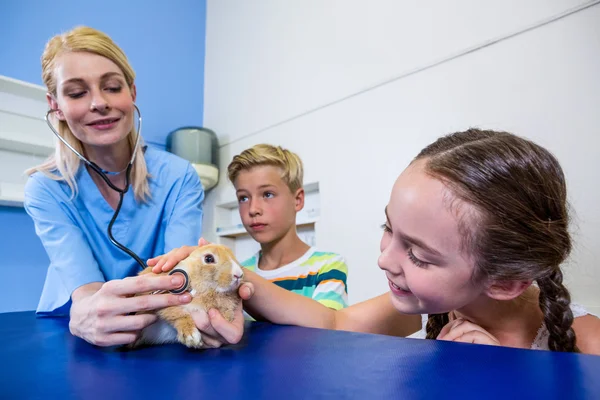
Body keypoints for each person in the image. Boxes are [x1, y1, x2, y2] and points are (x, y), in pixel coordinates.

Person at [152, 129, 600, 354]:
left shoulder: (588, 345)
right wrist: (225, 270)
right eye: (388, 229)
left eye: (419, 255)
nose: (385, 259)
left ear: (504, 281)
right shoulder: (442, 305)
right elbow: (333, 324)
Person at [23, 26, 240, 348]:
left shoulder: (179, 176)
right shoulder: (46, 189)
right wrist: (88, 311)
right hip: (78, 329)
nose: (99, 103)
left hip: (160, 324)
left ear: (132, 93)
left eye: (112, 87)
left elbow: (179, 280)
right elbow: (87, 295)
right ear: (55, 106)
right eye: (77, 92)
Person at [229, 144, 348, 309]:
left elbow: (326, 328)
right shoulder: (237, 273)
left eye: (267, 194)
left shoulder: (327, 267)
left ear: (297, 200)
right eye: (243, 198)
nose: (253, 209)